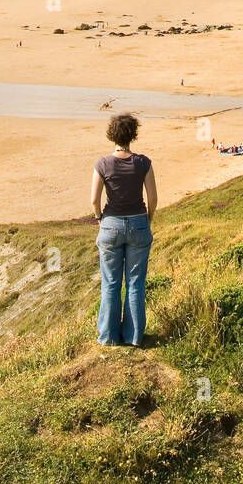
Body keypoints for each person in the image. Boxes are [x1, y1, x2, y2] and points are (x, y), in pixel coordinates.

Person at [90, 113, 157, 348]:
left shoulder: (102, 164)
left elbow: (94, 200)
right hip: (138, 223)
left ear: (112, 135)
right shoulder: (143, 163)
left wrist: (100, 219)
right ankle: (133, 337)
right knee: (135, 282)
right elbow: (153, 198)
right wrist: (147, 220)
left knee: (110, 282)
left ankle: (108, 336)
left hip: (111, 225)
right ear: (133, 135)